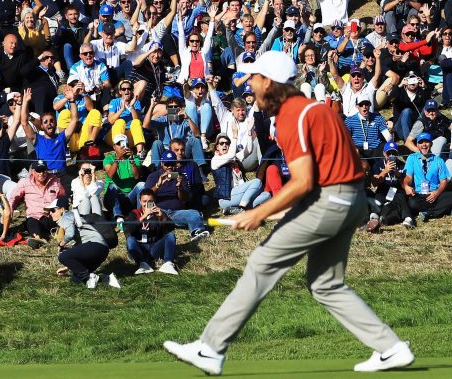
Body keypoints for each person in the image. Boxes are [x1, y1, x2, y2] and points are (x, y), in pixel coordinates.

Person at [164, 51, 413, 375]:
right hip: (352, 202)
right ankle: (391, 348)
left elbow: (303, 180)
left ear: (269, 82)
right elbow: (341, 166)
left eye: (254, 79)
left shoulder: (291, 115)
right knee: (325, 284)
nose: (250, 86)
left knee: (261, 263)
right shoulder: (313, 108)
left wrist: (258, 213)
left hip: (333, 201)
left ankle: (210, 348)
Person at [46, 197, 120, 289]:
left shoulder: (67, 216)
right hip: (102, 250)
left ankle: (90, 277)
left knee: (62, 256)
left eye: (53, 210)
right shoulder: (74, 218)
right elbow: (79, 247)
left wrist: (61, 245)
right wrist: (68, 267)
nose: (50, 213)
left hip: (95, 246)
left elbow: (70, 234)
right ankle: (107, 279)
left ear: (62, 209)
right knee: (75, 279)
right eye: (49, 211)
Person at [125, 189, 179, 275]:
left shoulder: (159, 213)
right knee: (130, 240)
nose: (147, 204)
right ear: (140, 201)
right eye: (144, 201)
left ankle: (168, 263)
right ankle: (142, 265)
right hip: (140, 247)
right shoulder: (134, 213)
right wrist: (143, 216)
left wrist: (163, 217)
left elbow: (171, 228)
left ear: (154, 201)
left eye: (150, 201)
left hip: (155, 246)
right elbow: (129, 229)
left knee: (170, 235)